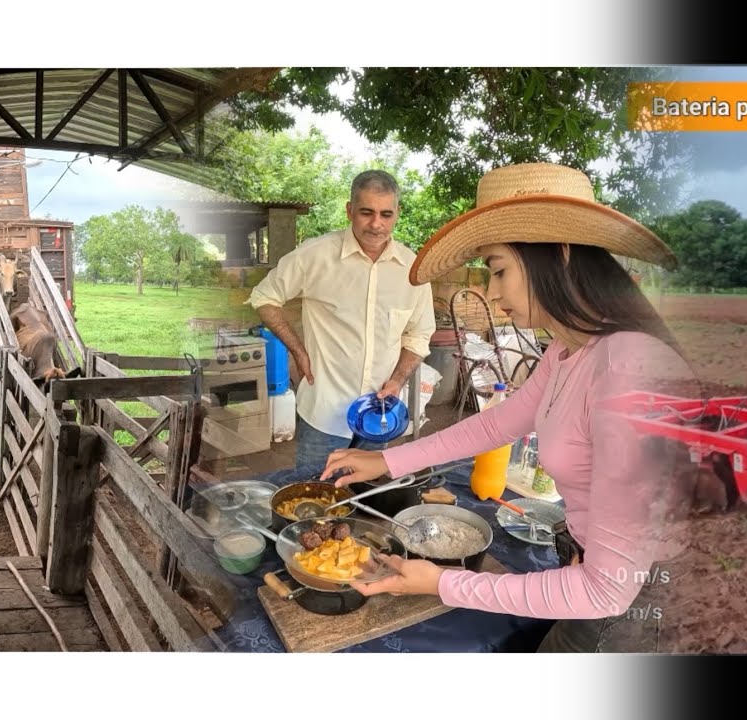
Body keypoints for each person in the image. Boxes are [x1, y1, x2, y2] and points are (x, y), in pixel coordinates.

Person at [319, 162, 692, 652]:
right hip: (588, 561)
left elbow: (606, 589)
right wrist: (387, 460)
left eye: (499, 270)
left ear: (557, 256)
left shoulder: (629, 367)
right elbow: (501, 422)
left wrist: (440, 582)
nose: (492, 294)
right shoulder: (566, 352)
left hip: (633, 601)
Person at [247, 169, 436, 471]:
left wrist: (399, 379)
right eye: (366, 212)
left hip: (379, 413)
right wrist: (297, 350)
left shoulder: (412, 270)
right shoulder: (315, 255)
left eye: (386, 214)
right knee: (316, 498)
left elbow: (419, 334)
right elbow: (264, 297)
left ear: (397, 214)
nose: (377, 224)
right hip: (324, 410)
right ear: (350, 211)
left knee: (365, 498)